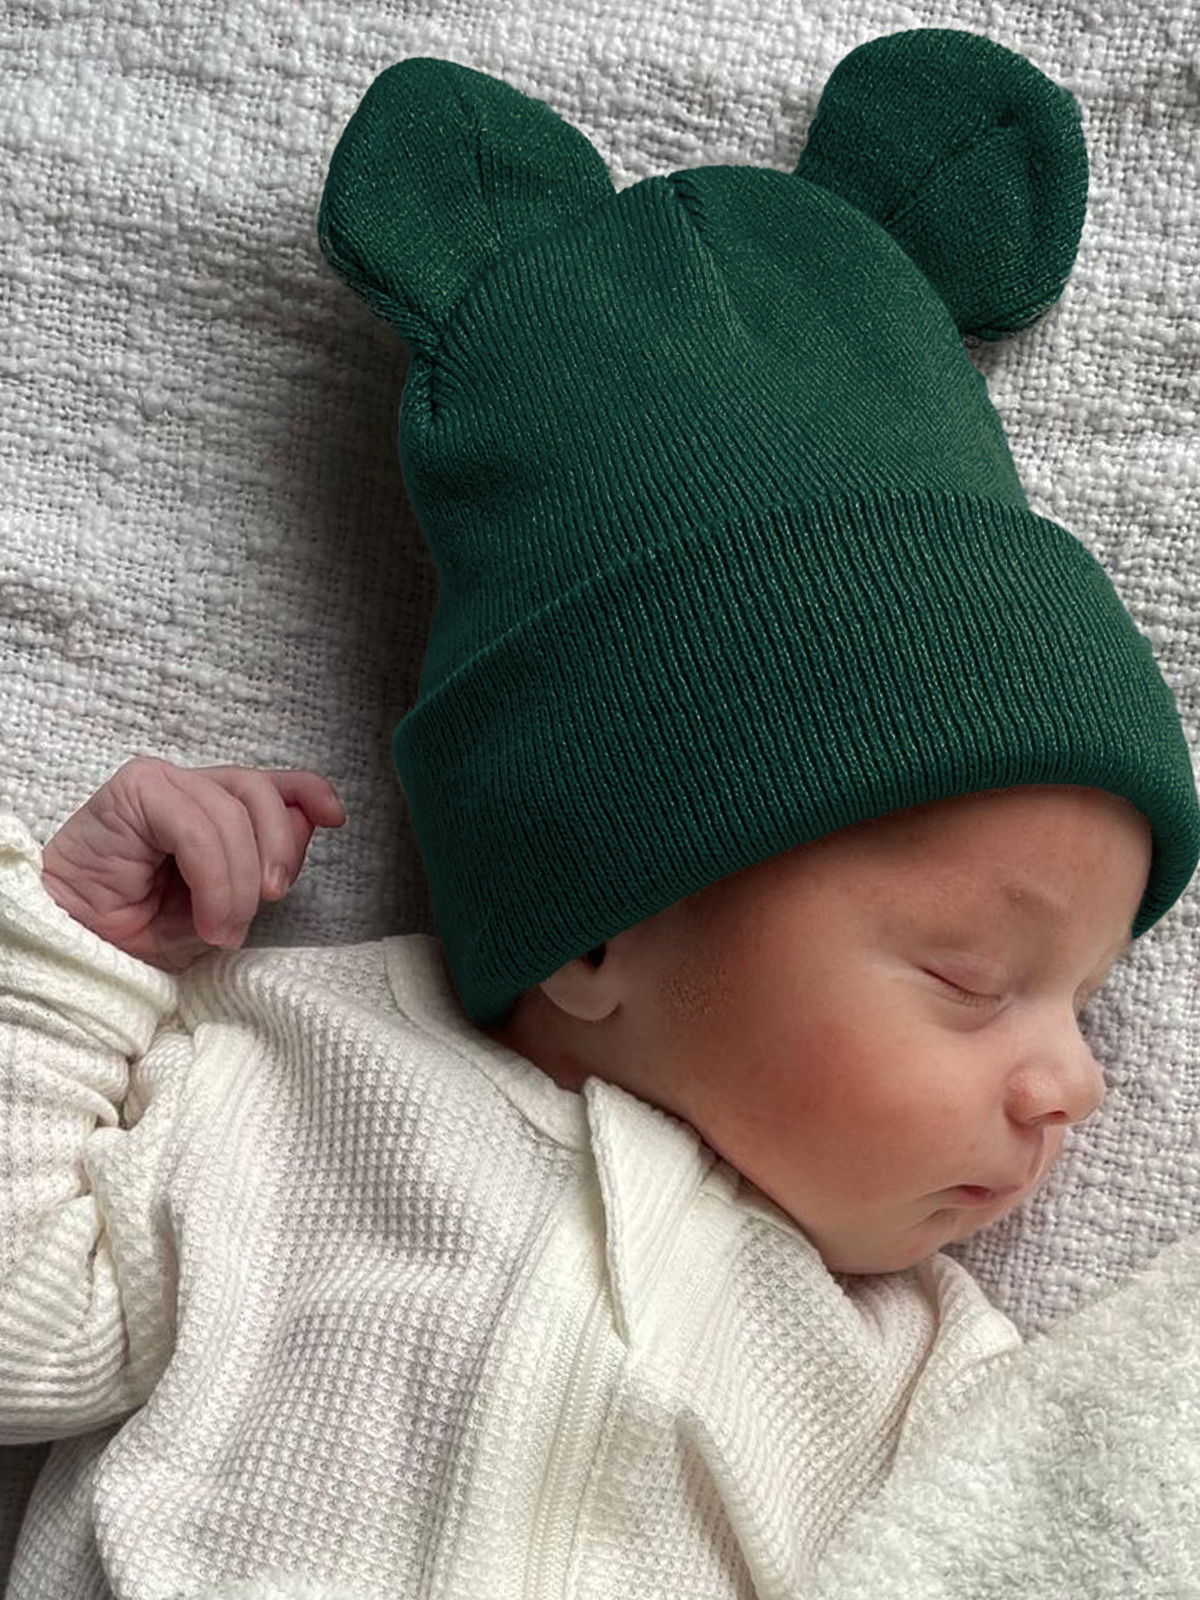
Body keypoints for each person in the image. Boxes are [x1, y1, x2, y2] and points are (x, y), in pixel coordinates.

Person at [2, 27, 1197, 1600]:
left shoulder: (931, 1386)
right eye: (975, 979)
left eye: (1087, 1001)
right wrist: (67, 953)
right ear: (601, 922)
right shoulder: (289, 1093)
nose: (1075, 1087)